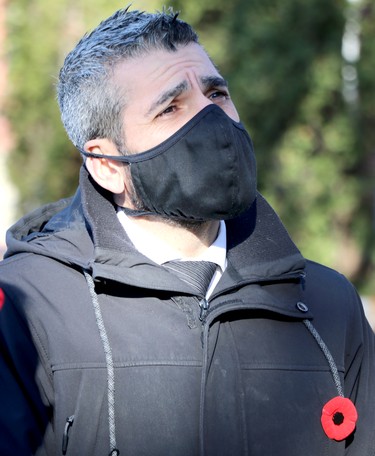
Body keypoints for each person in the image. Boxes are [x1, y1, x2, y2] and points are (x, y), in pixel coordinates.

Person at [0, 7, 374, 456]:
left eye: (216, 94)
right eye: (171, 108)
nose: (213, 121)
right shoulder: (27, 309)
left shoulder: (329, 303)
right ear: (106, 165)